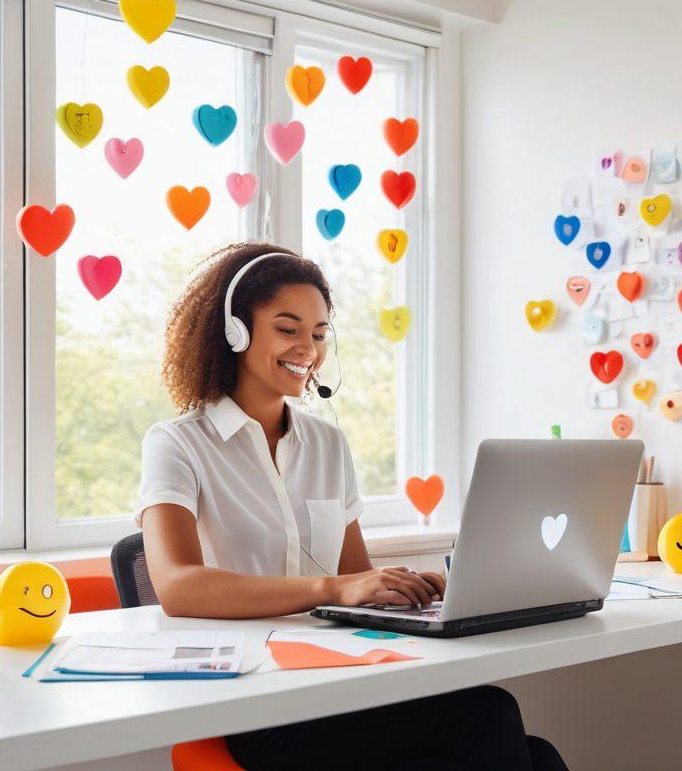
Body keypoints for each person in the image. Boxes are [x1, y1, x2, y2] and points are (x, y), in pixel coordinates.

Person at [136, 242, 568, 770]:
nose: (308, 349)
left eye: (319, 334)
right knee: (490, 714)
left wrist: (407, 590)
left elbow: (354, 578)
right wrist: (333, 589)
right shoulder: (178, 443)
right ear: (235, 332)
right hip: (252, 704)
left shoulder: (326, 444)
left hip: (337, 681)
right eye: (288, 329)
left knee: (535, 757)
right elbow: (178, 587)